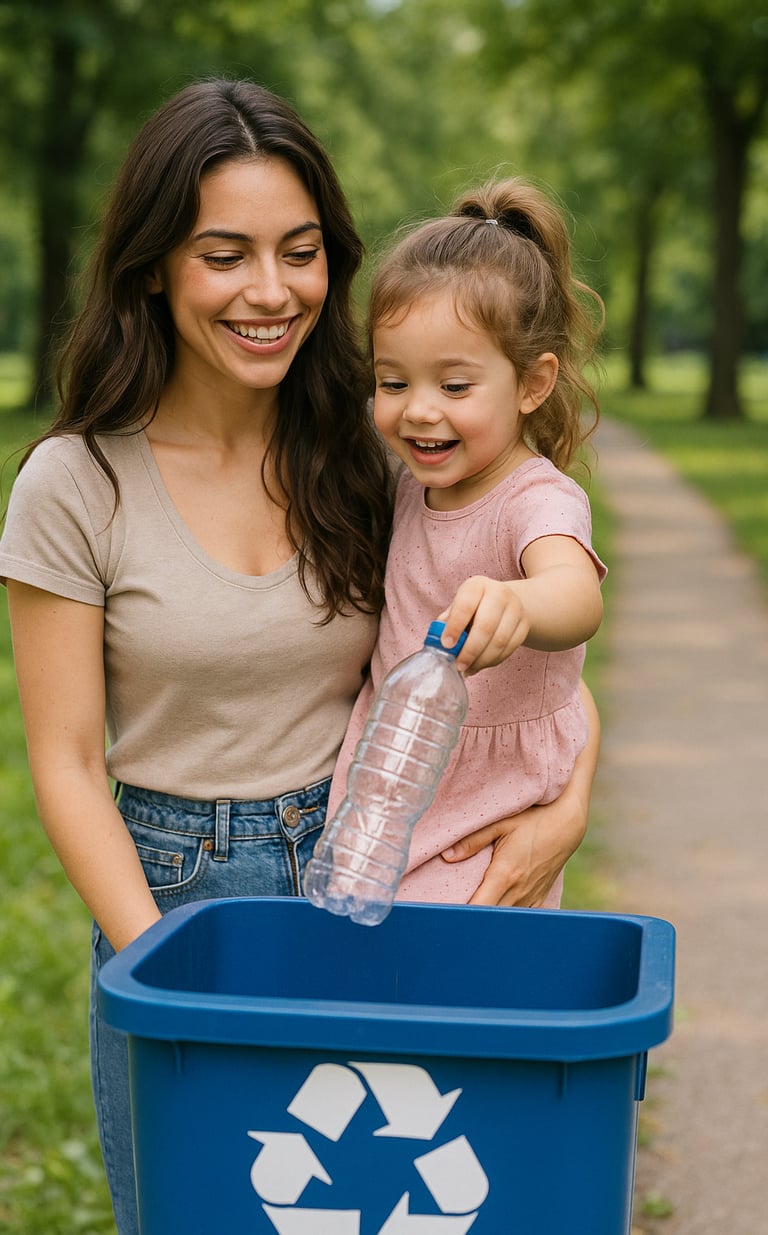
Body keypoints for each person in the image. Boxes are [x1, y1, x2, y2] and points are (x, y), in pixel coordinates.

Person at [0, 81, 599, 1234]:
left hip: (374, 851)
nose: (270, 291)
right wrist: (160, 969)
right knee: (206, 1209)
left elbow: (529, 627)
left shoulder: (375, 443)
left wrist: (566, 803)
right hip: (178, 889)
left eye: (301, 251)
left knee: (378, 1207)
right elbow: (67, 763)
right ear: (155, 267)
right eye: (225, 254)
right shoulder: (75, 484)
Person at [326, 176, 607, 908]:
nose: (418, 411)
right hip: (393, 785)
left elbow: (575, 594)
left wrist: (519, 601)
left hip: (479, 822)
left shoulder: (536, 498)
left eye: (455, 387)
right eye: (392, 381)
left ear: (533, 383)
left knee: (453, 1000)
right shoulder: (411, 481)